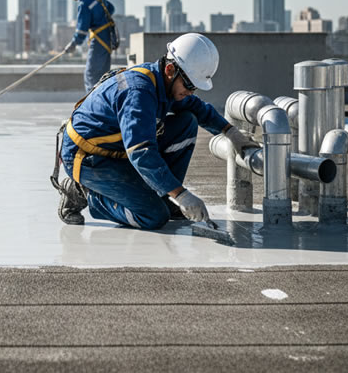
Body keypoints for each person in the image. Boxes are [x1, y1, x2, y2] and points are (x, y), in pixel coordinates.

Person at [53, 33, 258, 229]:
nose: (190, 92)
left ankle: (166, 199)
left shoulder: (163, 84)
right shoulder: (138, 93)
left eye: (194, 88)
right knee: (153, 216)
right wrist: (181, 194)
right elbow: (141, 153)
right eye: (189, 85)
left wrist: (231, 133)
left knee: (186, 122)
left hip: (114, 150)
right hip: (87, 158)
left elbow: (197, 108)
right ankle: (84, 192)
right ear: (170, 69)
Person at [60, 0, 118, 92]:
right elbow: (111, 8)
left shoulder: (84, 4)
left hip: (98, 42)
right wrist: (100, 18)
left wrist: (73, 44)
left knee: (91, 75)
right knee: (104, 77)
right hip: (107, 42)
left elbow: (81, 31)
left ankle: (92, 106)